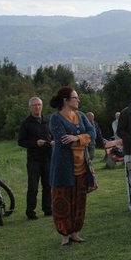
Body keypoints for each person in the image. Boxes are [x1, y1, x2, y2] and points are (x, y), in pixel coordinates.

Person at [48, 86, 96, 246]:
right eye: (75, 98)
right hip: (63, 168)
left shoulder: (81, 116)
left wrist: (76, 139)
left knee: (79, 201)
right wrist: (83, 138)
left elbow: (93, 133)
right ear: (66, 101)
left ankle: (75, 232)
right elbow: (62, 141)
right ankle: (64, 235)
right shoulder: (56, 119)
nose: (78, 100)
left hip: (81, 167)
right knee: (62, 201)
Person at [17, 97, 53, 220]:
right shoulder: (26, 123)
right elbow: (21, 141)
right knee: (33, 187)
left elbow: (52, 136)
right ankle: (30, 212)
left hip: (48, 157)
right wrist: (35, 143)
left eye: (39, 105)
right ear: (30, 108)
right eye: (34, 105)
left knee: (48, 185)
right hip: (34, 160)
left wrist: (53, 142)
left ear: (42, 106)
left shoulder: (47, 121)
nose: (37, 107)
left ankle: (48, 209)